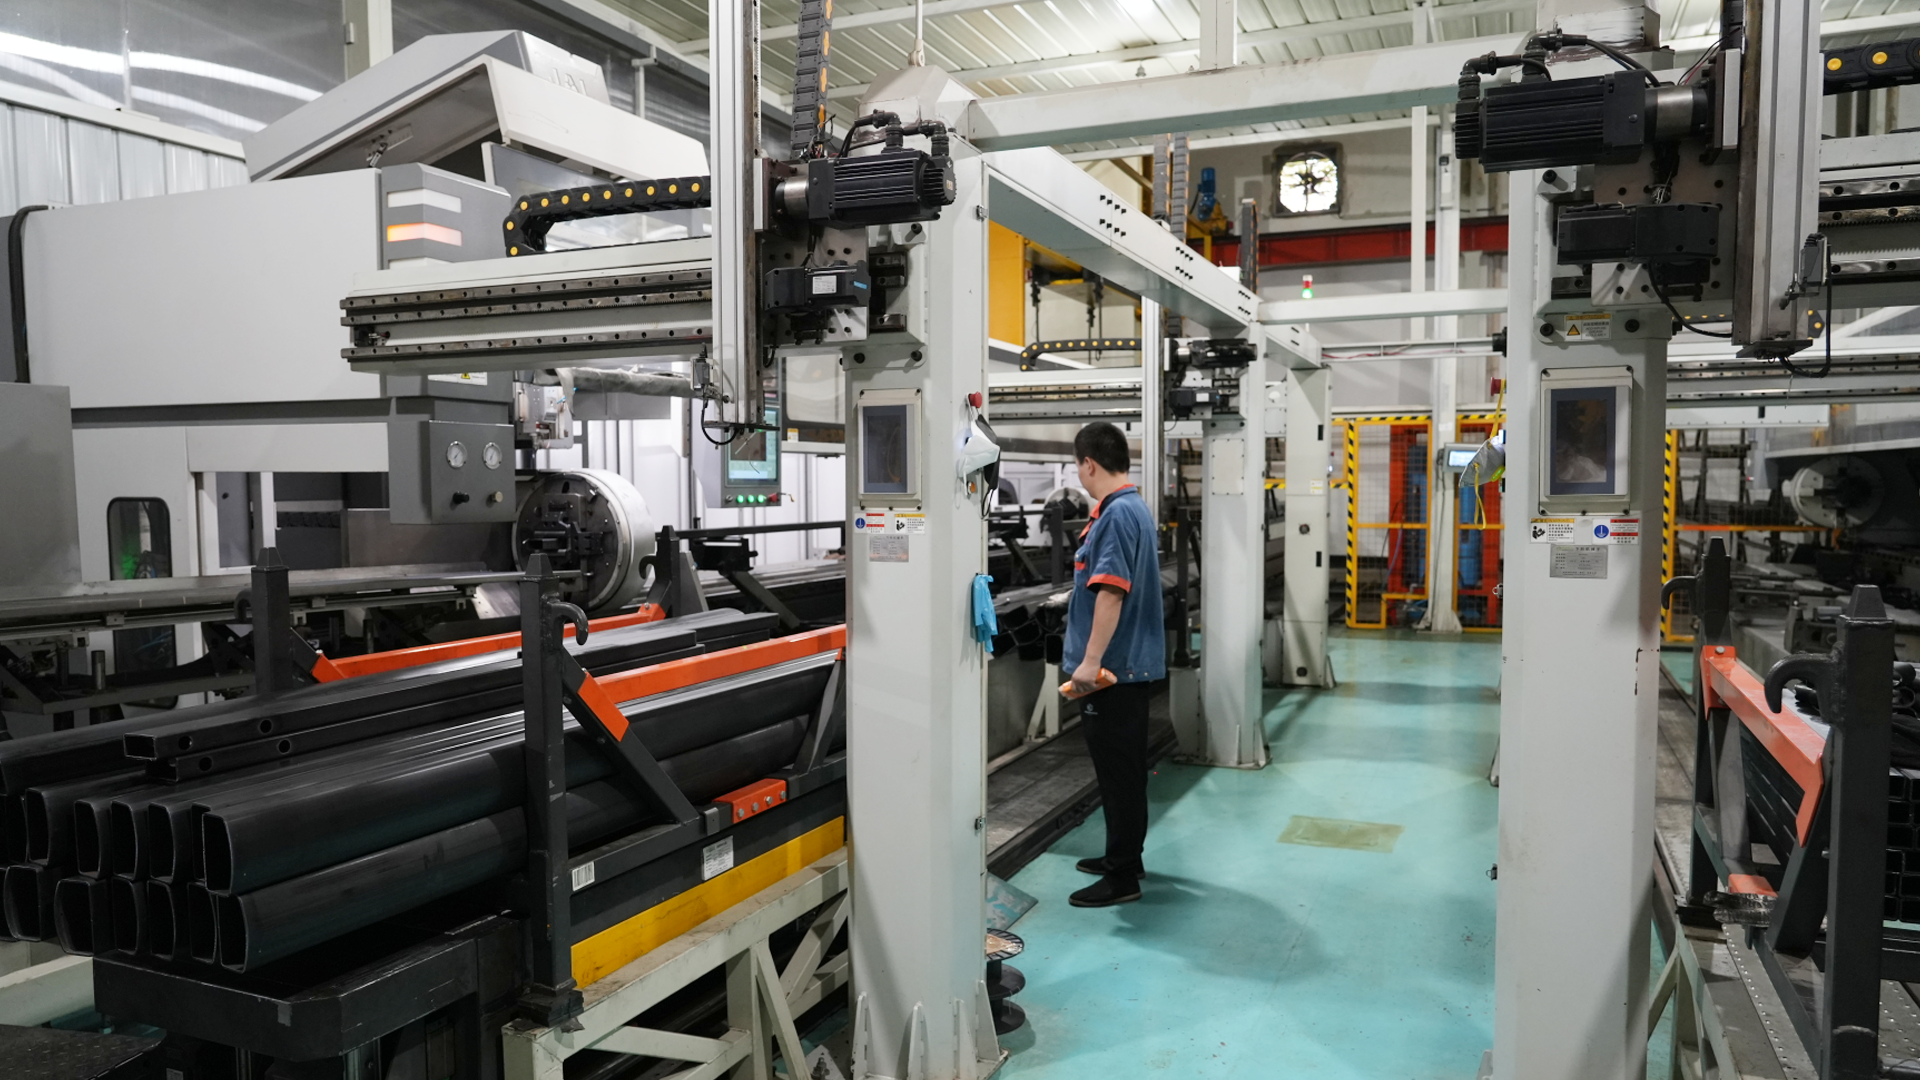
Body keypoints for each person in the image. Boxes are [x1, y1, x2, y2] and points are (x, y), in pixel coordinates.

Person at [1061, 421, 1166, 907]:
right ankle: (1124, 857)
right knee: (1120, 772)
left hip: (1112, 673)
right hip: (1125, 668)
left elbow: (1110, 590)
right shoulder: (1129, 509)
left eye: (1078, 464)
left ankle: (1122, 877)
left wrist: (1090, 662)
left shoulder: (1117, 515)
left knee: (1120, 775)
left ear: (1089, 464)